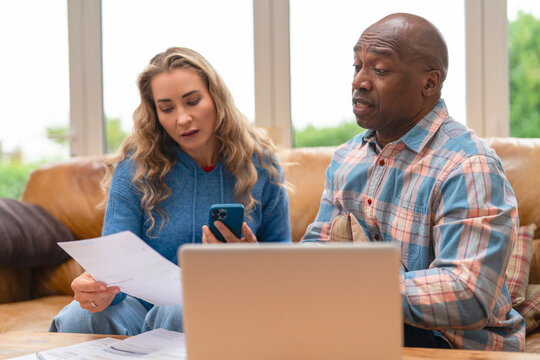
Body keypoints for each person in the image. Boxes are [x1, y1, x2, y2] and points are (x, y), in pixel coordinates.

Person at [301, 13, 525, 351]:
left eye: (380, 70)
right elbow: (315, 251)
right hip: (365, 325)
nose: (359, 81)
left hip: (454, 342)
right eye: (357, 65)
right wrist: (273, 271)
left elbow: (468, 293)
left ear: (429, 84)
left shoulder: (469, 165)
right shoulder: (346, 159)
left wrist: (355, 290)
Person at [49, 47, 291, 335]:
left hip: (222, 303)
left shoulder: (261, 165)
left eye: (193, 101)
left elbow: (283, 271)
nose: (182, 118)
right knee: (80, 317)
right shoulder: (134, 167)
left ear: (216, 98)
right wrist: (97, 289)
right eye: (167, 108)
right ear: (155, 113)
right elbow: (114, 268)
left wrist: (251, 262)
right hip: (138, 311)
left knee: (179, 310)